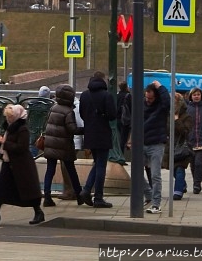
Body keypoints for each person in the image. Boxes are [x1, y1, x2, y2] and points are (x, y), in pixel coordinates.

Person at [0, 104, 44, 226]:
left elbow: (21, 147)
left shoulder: (22, 129)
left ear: (16, 117)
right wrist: (1, 142)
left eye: (10, 117)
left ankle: (38, 212)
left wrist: (4, 142)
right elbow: (9, 144)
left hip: (21, 165)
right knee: (1, 189)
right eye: (7, 117)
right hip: (9, 163)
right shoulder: (10, 128)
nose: (8, 119)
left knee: (28, 191)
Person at [78, 71, 117, 208]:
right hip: (102, 134)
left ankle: (86, 190)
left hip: (89, 133)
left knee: (97, 163)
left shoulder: (84, 95)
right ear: (103, 81)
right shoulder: (106, 95)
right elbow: (113, 115)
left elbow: (82, 114)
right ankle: (98, 197)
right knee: (101, 165)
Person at [41, 84, 83, 208]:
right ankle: (79, 195)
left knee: (50, 171)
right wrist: (85, 130)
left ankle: (47, 197)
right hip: (64, 145)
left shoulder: (53, 108)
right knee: (71, 170)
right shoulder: (68, 111)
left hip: (50, 144)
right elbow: (72, 129)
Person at [132, 79, 169, 214]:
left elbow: (167, 102)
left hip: (156, 144)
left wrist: (161, 87)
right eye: (146, 97)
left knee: (155, 175)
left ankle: (156, 203)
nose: (148, 100)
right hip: (141, 142)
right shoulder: (141, 105)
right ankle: (148, 194)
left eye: (151, 98)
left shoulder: (161, 106)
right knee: (135, 172)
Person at [172, 91, 193, 200]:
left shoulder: (186, 116)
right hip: (170, 147)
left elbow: (185, 131)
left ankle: (178, 191)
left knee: (179, 169)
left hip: (182, 147)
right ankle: (182, 184)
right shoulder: (168, 115)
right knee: (173, 170)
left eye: (175, 102)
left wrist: (177, 120)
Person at [116, 82, 133, 154]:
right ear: (126, 87)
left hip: (117, 119)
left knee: (119, 137)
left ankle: (119, 153)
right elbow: (131, 108)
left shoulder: (117, 95)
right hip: (125, 120)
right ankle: (121, 155)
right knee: (123, 138)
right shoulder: (128, 96)